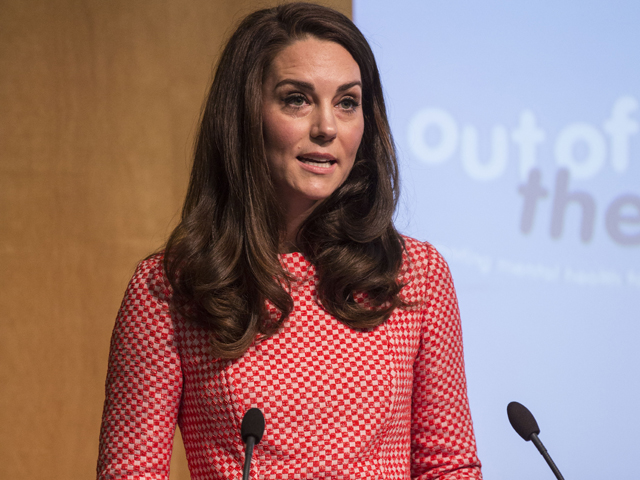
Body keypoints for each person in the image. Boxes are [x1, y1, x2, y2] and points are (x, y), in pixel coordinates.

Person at [97, 3, 482, 479]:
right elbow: (131, 471)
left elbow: (448, 467)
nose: (326, 127)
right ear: (245, 116)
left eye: (347, 102)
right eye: (297, 99)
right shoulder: (170, 289)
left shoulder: (414, 275)